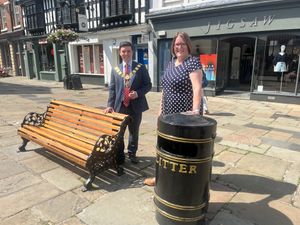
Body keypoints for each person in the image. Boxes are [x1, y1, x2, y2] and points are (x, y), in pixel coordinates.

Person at [144, 32, 203, 186]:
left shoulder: (193, 62)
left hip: (185, 114)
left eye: (182, 44)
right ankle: (161, 178)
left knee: (183, 150)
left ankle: (183, 183)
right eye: (177, 44)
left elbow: (197, 88)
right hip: (168, 112)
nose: (179, 47)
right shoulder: (171, 63)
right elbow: (165, 90)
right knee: (165, 146)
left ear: (188, 45)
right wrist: (160, 112)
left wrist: (195, 113)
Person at [105, 41, 152, 164]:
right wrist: (110, 105)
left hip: (135, 106)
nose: (126, 53)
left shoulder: (140, 68)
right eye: (123, 51)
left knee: (134, 131)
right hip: (120, 106)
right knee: (119, 132)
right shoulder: (115, 70)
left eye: (128, 51)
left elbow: (148, 85)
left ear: (132, 52)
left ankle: (132, 153)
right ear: (120, 53)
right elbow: (112, 89)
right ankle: (120, 154)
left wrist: (137, 93)